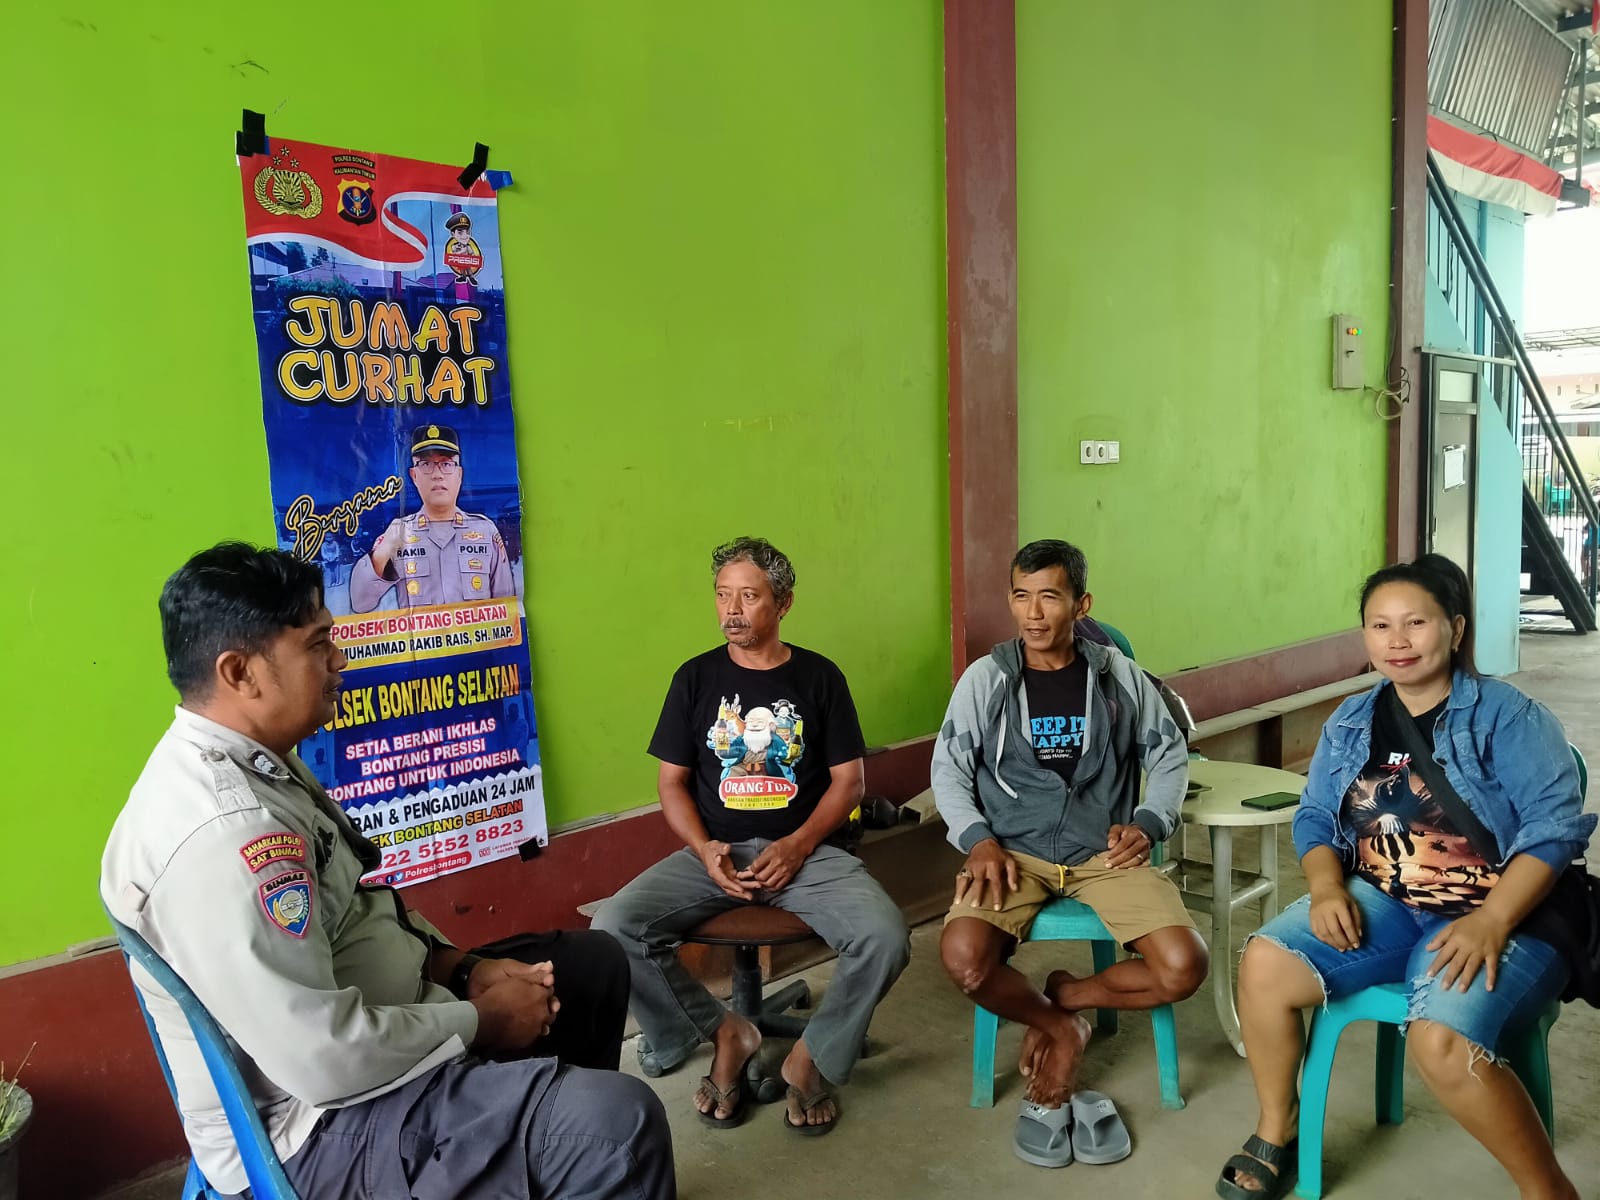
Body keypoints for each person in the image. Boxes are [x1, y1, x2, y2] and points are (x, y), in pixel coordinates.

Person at [101, 542, 672, 1200]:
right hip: (313, 1127)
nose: (339, 660)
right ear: (240, 673)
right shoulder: (226, 834)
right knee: (617, 1128)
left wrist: (461, 969)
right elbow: (323, 1059)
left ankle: (548, 1164)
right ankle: (570, 1152)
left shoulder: (259, 760)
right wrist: (480, 1020)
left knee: (592, 967)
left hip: (376, 1023)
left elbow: (357, 910)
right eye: (317, 645)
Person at [1215, 554, 1593, 1200]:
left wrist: (1493, 919)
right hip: (1390, 901)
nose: (1398, 640)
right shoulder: (1352, 720)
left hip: (1507, 910)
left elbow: (1553, 830)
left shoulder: (1509, 717)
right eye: (1380, 624)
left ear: (1456, 627)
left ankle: (1548, 1190)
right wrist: (1326, 886)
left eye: (1416, 622)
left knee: (1439, 1042)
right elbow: (1315, 816)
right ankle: (1278, 1129)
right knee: (1263, 965)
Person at [592, 537, 910, 1137]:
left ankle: (811, 1057)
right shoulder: (695, 678)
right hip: (717, 854)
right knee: (613, 929)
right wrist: (703, 848)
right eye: (722, 595)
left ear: (783, 603)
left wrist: (798, 844)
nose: (731, 610)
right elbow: (670, 784)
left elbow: (850, 783)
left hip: (808, 852)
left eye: (748, 596)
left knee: (885, 936)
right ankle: (726, 1033)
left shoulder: (819, 677)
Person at [933, 538, 1207, 1168]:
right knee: (965, 959)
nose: (1033, 613)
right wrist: (977, 840)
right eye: (1021, 596)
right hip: (1013, 853)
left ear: (1081, 605)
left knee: (1183, 966)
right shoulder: (987, 679)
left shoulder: (1118, 677)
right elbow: (948, 769)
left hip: (1103, 854)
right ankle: (1063, 1029)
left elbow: (1168, 754)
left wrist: (1148, 821)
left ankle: (1070, 995)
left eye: (1050, 597)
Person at [348, 424, 512, 612]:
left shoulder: (484, 530)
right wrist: (382, 552)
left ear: (459, 474)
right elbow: (360, 603)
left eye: (446, 464)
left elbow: (506, 604)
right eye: (426, 464)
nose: (437, 475)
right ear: (414, 476)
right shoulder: (400, 534)